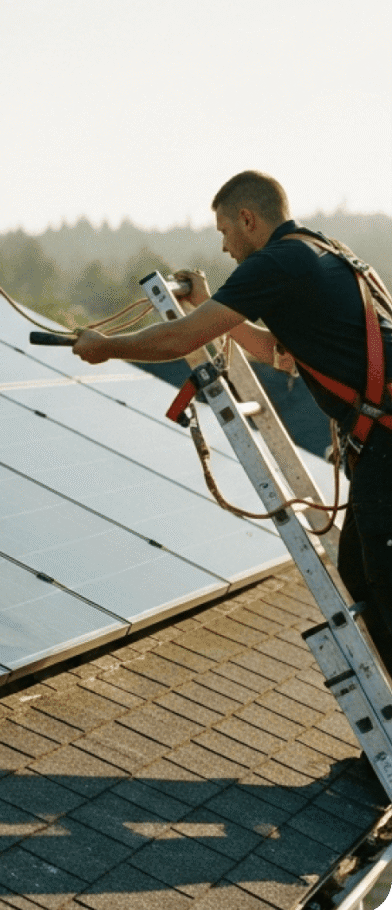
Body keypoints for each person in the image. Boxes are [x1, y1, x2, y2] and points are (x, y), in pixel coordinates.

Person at [72, 170, 392, 667]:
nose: (223, 247)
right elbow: (276, 354)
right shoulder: (319, 251)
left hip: (387, 444)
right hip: (380, 443)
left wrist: (106, 347)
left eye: (224, 231)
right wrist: (208, 304)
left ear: (248, 218)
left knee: (386, 586)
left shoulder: (275, 263)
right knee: (358, 567)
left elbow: (181, 340)